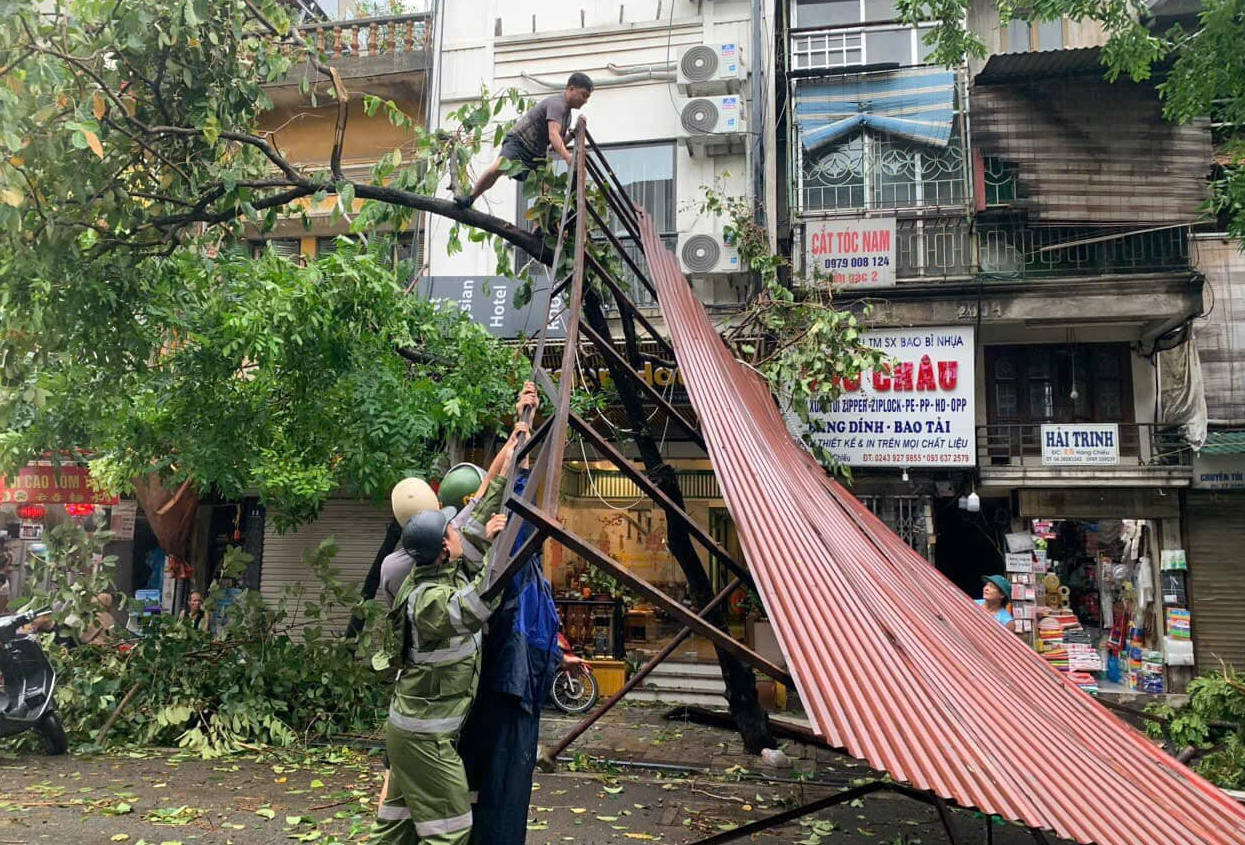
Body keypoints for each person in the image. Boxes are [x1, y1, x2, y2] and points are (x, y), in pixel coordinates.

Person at [459, 462, 588, 845]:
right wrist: (521, 462)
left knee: (507, 792)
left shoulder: (528, 571)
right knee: (498, 792)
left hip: (521, 691)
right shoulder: (507, 566)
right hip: (508, 694)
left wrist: (559, 660)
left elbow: (535, 632)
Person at [371, 489, 510, 843]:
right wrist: (498, 545)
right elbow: (478, 605)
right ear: (445, 550)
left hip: (411, 733)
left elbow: (475, 523)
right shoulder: (428, 602)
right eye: (451, 530)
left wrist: (509, 464)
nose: (459, 532)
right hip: (425, 739)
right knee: (450, 832)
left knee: (396, 829)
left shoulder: (442, 575)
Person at [452, 73, 594, 209]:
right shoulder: (557, 105)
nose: (585, 100)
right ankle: (470, 198)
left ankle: (537, 228)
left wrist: (574, 133)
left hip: (536, 154)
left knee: (546, 190)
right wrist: (568, 158)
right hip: (519, 142)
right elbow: (554, 136)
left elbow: (557, 143)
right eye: (584, 95)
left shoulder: (567, 115)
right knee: (499, 167)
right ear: (571, 89)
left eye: (587, 97)